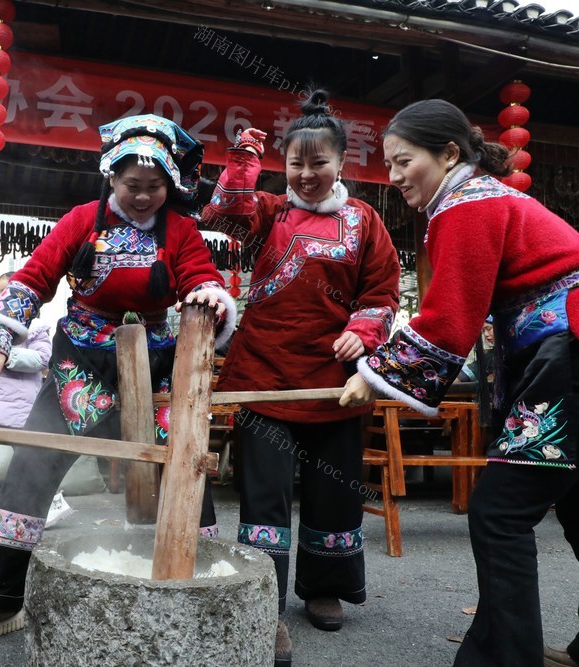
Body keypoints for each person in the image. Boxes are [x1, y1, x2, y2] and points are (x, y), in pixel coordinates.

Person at [0, 113, 236, 647]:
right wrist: (0, 338)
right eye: (133, 186)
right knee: (30, 469)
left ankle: (209, 593)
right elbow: (34, 277)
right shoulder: (83, 219)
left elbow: (203, 279)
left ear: (169, 186)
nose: (144, 196)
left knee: (185, 470)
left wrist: (207, 297)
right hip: (79, 364)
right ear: (111, 178)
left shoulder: (181, 230)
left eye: (155, 187)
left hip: (154, 369)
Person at [338, 98, 579, 667]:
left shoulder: (465, 205)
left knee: (498, 512)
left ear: (449, 154)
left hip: (569, 346)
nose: (394, 177)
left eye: (403, 162)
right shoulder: (481, 198)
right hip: (564, 346)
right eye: (388, 165)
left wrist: (373, 377)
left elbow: (448, 319)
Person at [201, 90, 400, 666]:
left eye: (319, 163)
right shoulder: (269, 213)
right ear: (282, 165)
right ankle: (262, 587)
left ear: (342, 163)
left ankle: (324, 587)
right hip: (266, 375)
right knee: (263, 492)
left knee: (333, 486)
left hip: (336, 381)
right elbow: (224, 212)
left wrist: (363, 333)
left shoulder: (364, 222)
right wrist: (243, 159)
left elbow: (382, 290)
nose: (307, 174)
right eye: (296, 163)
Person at [0, 271, 53, 528]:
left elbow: (41, 359)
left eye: (3, 292)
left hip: (18, 408)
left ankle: (42, 504)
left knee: (27, 457)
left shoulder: (35, 328)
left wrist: (3, 354)